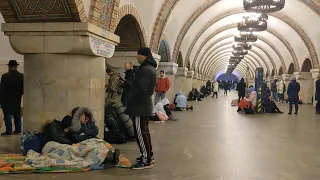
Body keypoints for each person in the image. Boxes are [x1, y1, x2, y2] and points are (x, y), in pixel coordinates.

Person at [125, 47, 157, 169]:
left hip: (140, 107)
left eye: (138, 55)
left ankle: (146, 160)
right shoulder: (150, 68)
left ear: (143, 56)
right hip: (143, 106)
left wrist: (131, 100)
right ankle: (148, 154)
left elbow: (141, 90)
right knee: (144, 131)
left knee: (140, 132)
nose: (136, 57)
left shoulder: (146, 70)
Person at [0, 60, 23, 136]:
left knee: (7, 115)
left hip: (6, 99)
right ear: (16, 66)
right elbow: (23, 88)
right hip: (17, 98)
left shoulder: (5, 76)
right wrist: (20, 95)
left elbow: (2, 89)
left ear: (9, 66)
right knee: (17, 114)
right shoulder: (21, 76)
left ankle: (8, 131)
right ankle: (18, 130)